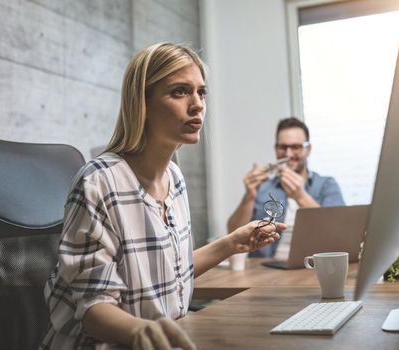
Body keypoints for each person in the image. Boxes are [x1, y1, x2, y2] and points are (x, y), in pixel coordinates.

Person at [39, 42, 285, 350]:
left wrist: (233, 243)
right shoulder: (99, 181)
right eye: (180, 91)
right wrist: (141, 332)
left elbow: (171, 273)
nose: (197, 105)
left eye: (201, 92)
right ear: (141, 102)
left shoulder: (175, 177)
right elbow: (93, 308)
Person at [227, 117, 344, 258]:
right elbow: (234, 235)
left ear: (308, 149)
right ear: (276, 149)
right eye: (283, 147)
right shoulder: (263, 188)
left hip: (314, 265)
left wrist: (300, 196)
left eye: (295, 147)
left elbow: (338, 233)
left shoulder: (327, 185)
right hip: (266, 268)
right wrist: (249, 196)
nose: (288, 154)